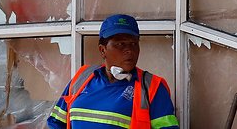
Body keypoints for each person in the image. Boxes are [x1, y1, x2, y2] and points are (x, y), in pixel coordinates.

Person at [48, 14, 179, 129]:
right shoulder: (83, 77)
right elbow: (56, 121)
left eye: (133, 44)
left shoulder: (152, 87)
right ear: (102, 50)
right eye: (120, 44)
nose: (129, 50)